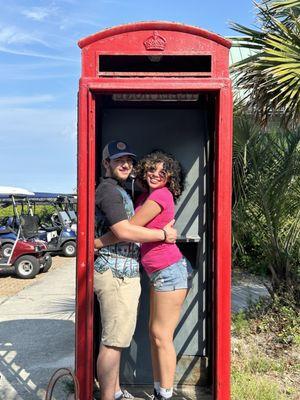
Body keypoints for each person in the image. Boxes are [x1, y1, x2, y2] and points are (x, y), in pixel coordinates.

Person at [96, 150, 194, 400]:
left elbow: (126, 230)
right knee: (156, 335)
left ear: (170, 178)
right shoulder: (145, 195)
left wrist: (95, 243)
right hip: (159, 273)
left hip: (169, 271)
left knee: (161, 336)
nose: (155, 175)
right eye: (151, 169)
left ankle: (165, 394)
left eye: (162, 172)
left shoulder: (160, 195)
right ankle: (159, 390)